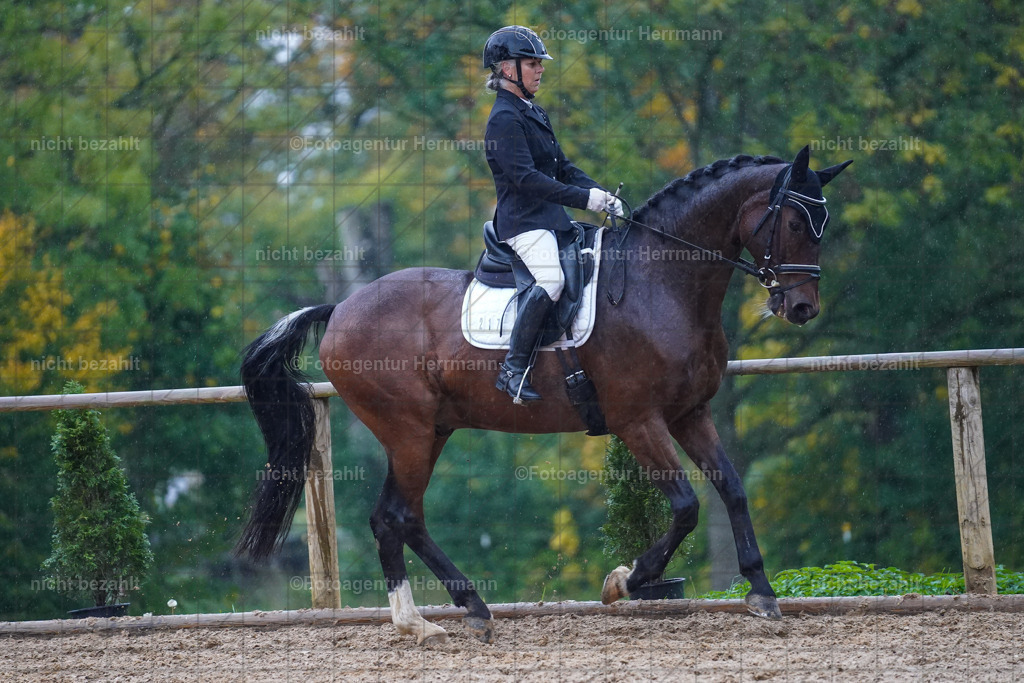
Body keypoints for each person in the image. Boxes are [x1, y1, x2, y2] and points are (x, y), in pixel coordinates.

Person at [483, 25, 622, 404]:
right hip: (523, 222)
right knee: (552, 280)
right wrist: (583, 199)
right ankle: (512, 370)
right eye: (532, 64)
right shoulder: (503, 120)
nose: (540, 70)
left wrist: (601, 195)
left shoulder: (532, 112)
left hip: (549, 219)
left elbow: (562, 167)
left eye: (539, 64)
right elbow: (527, 180)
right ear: (507, 70)